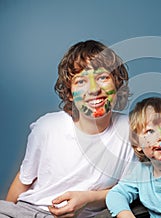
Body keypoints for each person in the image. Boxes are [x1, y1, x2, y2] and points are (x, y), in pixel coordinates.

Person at [0, 40, 136, 217]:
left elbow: (128, 190)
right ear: (70, 94)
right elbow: (23, 180)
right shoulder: (46, 127)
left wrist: (88, 198)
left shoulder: (131, 130)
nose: (94, 89)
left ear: (117, 84)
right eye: (81, 81)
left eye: (102, 77)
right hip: (31, 211)